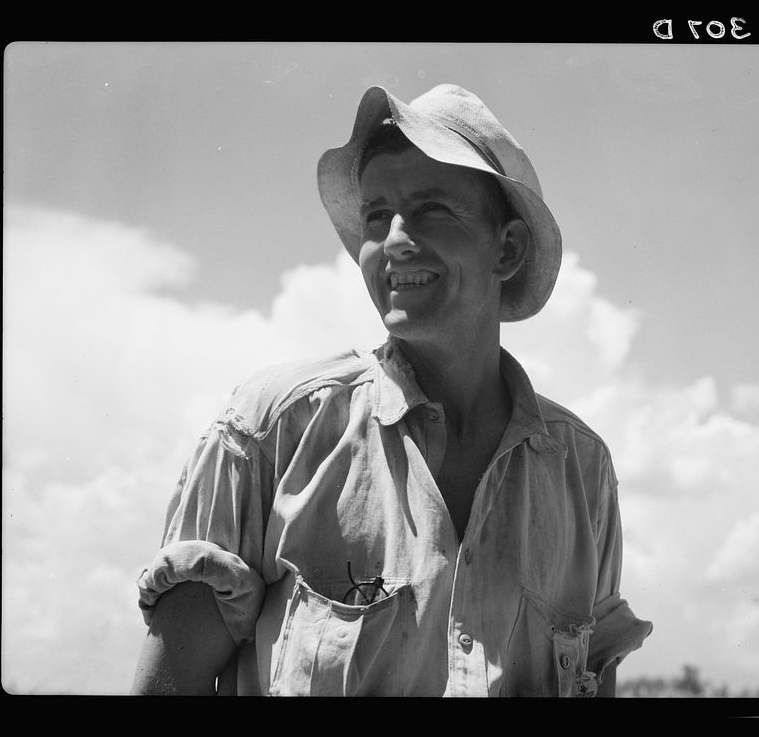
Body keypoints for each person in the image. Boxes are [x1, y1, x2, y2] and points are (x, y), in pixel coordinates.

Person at [131, 83, 652, 697]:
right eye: (377, 215)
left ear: (506, 248)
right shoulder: (273, 429)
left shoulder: (581, 468)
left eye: (433, 210)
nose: (395, 240)